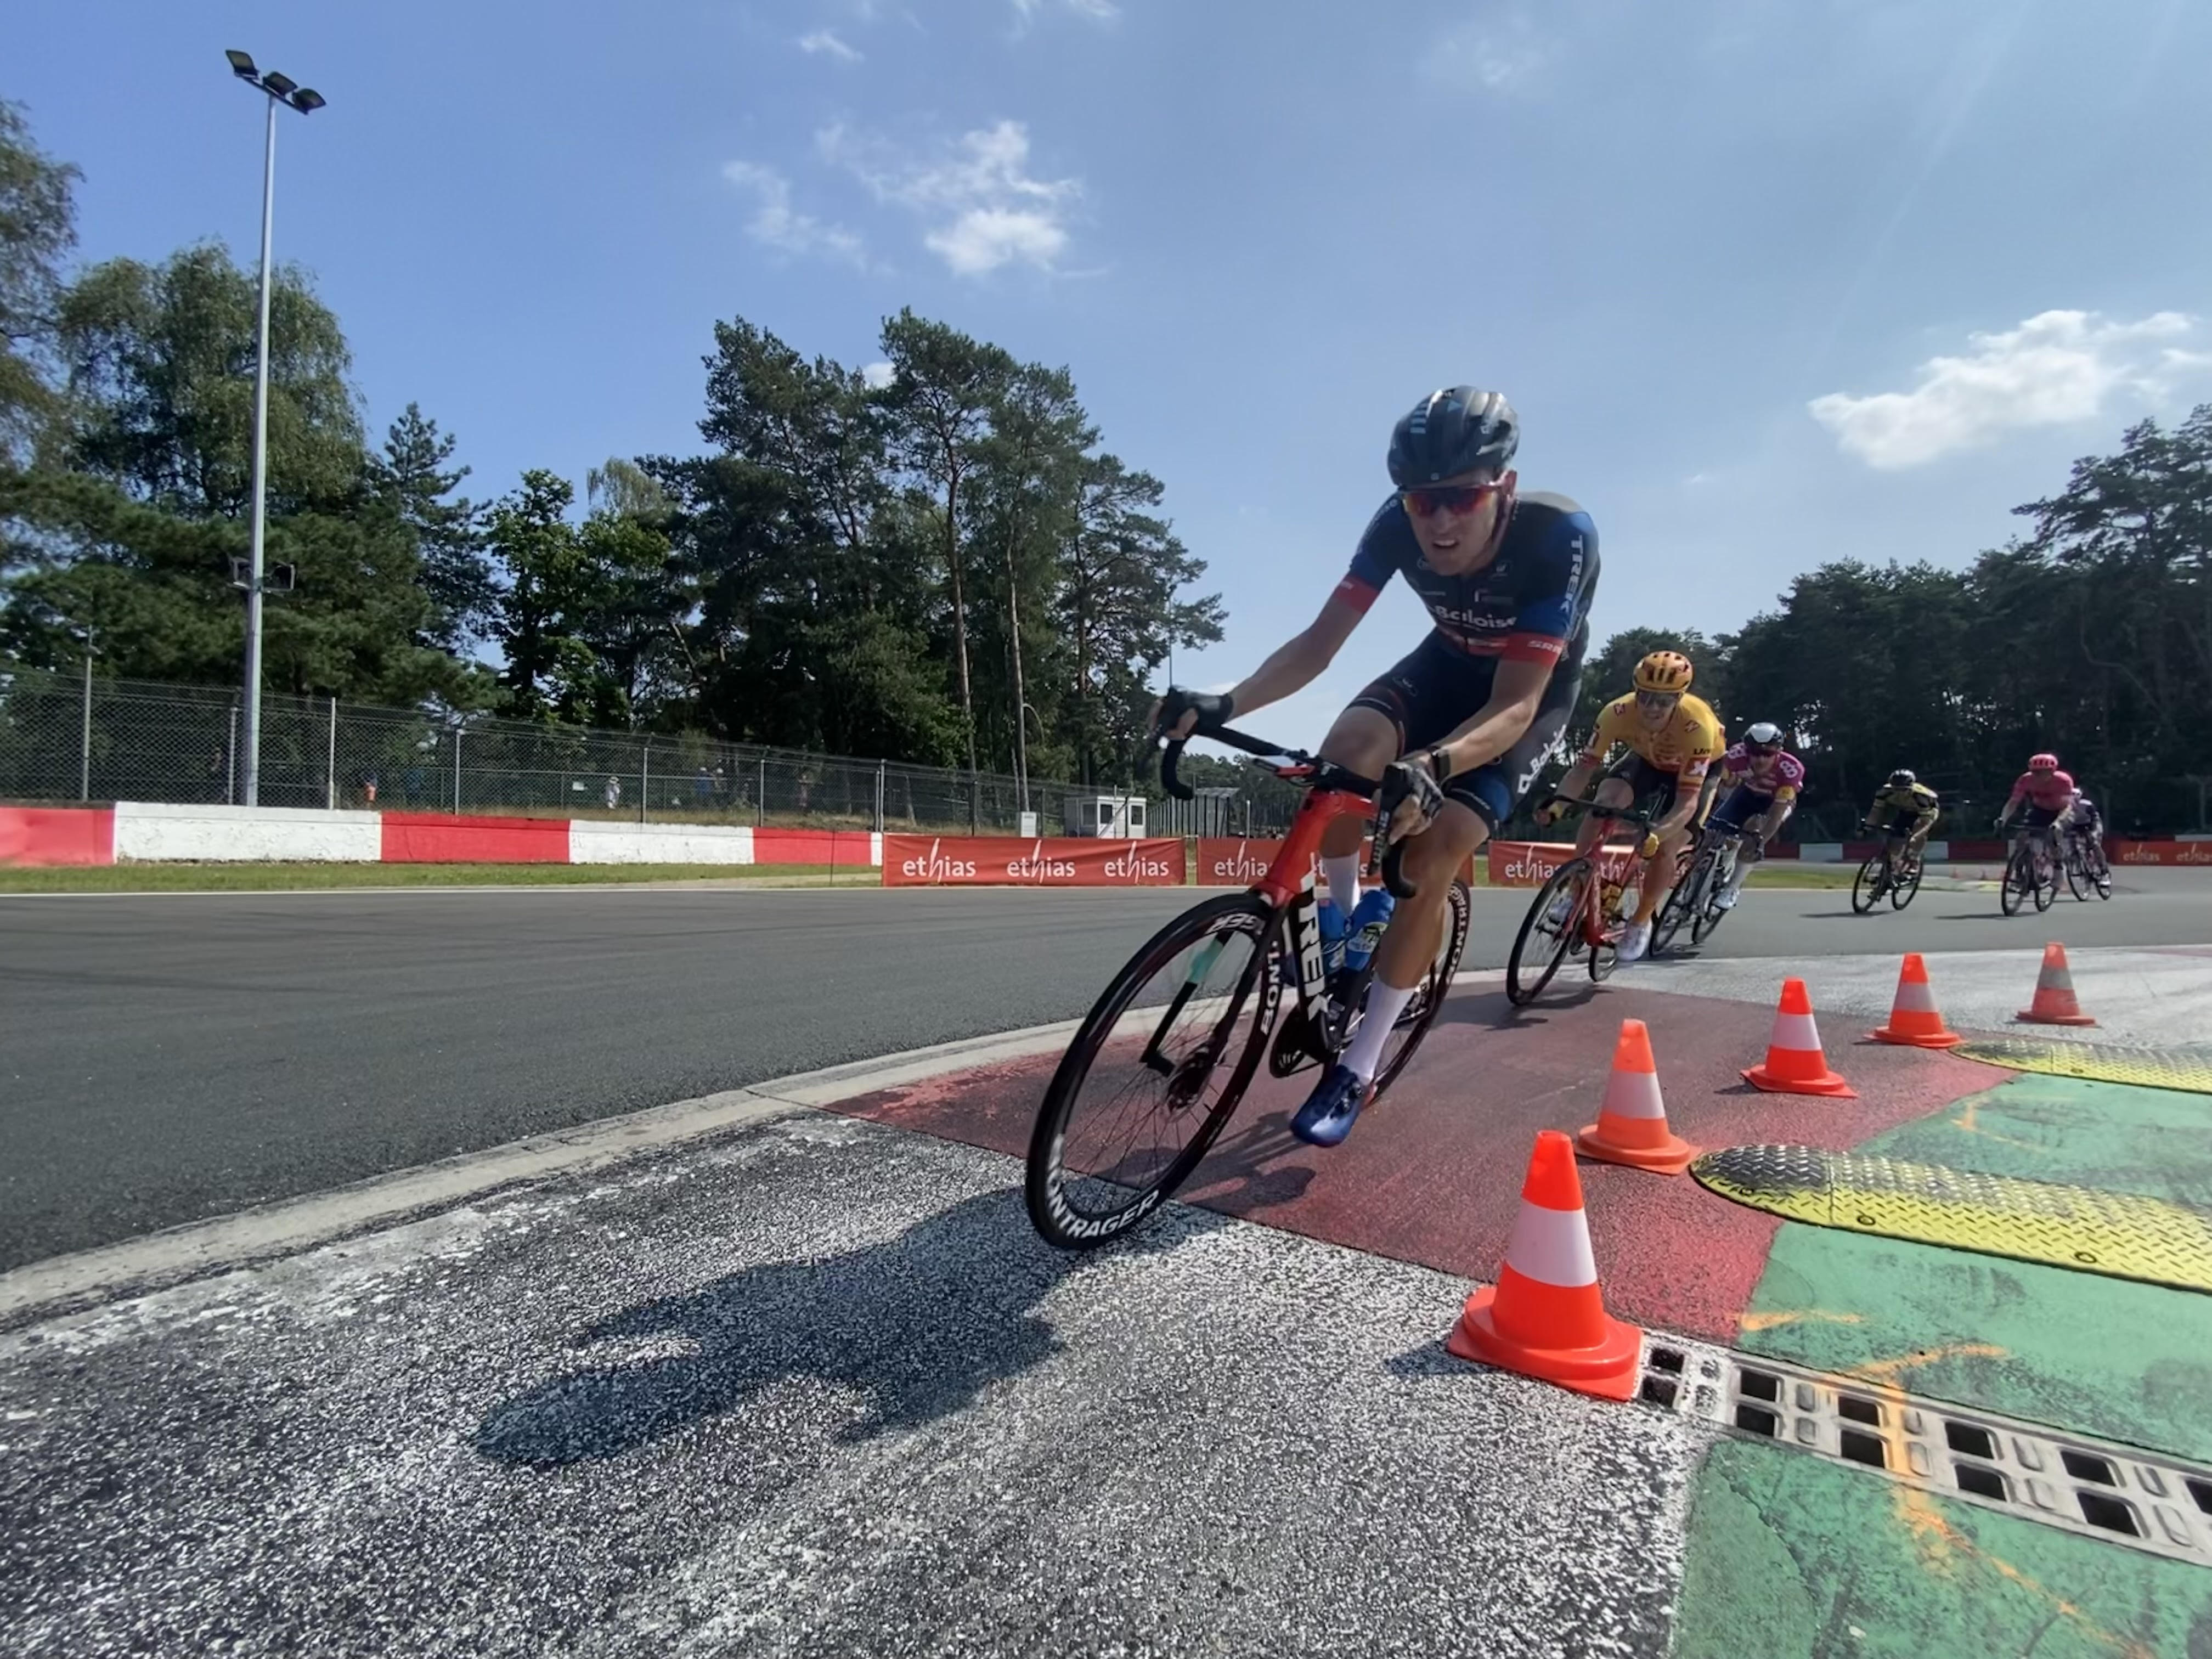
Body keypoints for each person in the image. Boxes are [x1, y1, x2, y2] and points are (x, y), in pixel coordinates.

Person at [1154, 386, 1598, 1148]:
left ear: (1505, 488)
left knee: (1431, 854)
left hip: (1522, 696)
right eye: (1423, 501)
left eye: (1462, 498)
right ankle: (1340, 922)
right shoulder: (1395, 523)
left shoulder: (1559, 537)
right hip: (1443, 667)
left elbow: (1517, 706)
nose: (1440, 521)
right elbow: (1317, 645)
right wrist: (1226, 703)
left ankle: (1358, 1065)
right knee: (1347, 753)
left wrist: (1434, 762)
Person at [1533, 650, 1723, 962]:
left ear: (1679, 698)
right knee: (1602, 805)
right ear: (1636, 691)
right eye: (1645, 697)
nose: (1652, 707)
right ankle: (1577, 891)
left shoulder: (1697, 725)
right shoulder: (1616, 713)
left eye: (1663, 701)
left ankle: (1641, 920)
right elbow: (1583, 769)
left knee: (1668, 846)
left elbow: (1687, 801)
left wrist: (1658, 834)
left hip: (1697, 772)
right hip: (1647, 760)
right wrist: (1558, 805)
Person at [1708, 721, 1804, 910]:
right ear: (1746, 750)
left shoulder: (1791, 769)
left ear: (1779, 751)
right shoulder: (1735, 756)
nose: (1760, 759)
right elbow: (1724, 788)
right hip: (1747, 793)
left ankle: (1732, 889)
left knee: (1754, 834)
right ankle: (1700, 880)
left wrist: (1760, 842)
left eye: (1768, 754)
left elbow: (1776, 815)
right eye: (1754, 752)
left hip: (1775, 802)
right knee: (1711, 833)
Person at [1997, 753, 2077, 864]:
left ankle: (2058, 866)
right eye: (2035, 772)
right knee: (2022, 834)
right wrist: (2003, 819)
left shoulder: (2063, 780)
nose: (2039, 776)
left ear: (2052, 771)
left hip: (2061, 811)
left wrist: (2058, 822)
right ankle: (2021, 863)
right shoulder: (2025, 780)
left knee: (2054, 833)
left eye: (2044, 772)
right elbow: (2013, 802)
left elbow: (2067, 806)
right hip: (2040, 809)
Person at [1865, 769, 1940, 870]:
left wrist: (1915, 837)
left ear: (1911, 788)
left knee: (1918, 833)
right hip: (1905, 809)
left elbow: (1925, 823)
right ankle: (1892, 868)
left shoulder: (1921, 798)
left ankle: (1914, 860)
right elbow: (1876, 812)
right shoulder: (1884, 792)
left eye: (1903, 790)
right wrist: (1867, 827)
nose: (1899, 793)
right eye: (1896, 790)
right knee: (1895, 838)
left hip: (1927, 813)